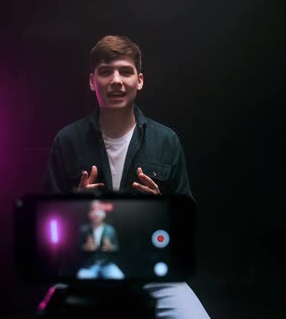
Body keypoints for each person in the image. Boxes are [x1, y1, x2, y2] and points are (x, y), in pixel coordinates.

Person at [42, 35, 209, 318]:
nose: (116, 80)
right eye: (106, 72)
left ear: (139, 80)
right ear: (92, 81)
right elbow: (44, 224)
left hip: (153, 272)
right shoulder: (67, 140)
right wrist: (74, 207)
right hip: (84, 268)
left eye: (125, 71)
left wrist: (161, 209)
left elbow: (187, 221)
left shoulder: (165, 141)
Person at [76, 200, 124, 279]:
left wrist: (110, 247)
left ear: (104, 214)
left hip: (107, 265)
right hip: (89, 265)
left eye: (99, 209)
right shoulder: (83, 229)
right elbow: (77, 248)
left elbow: (117, 247)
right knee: (80, 278)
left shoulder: (110, 229)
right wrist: (85, 247)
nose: (96, 212)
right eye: (93, 209)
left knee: (120, 277)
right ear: (89, 214)